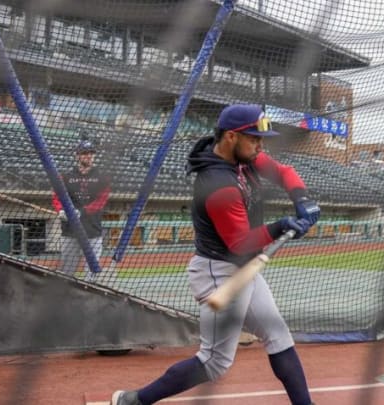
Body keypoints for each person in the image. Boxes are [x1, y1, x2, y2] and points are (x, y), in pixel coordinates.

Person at [111, 104, 321, 405]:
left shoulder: (242, 156)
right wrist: (281, 226)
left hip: (244, 268)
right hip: (221, 272)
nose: (260, 146)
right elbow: (239, 243)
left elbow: (282, 171)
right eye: (254, 139)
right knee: (213, 361)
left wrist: (301, 198)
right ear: (232, 137)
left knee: (279, 336)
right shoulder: (217, 184)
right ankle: (136, 400)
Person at [52, 140, 111, 278]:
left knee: (92, 271)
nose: (88, 156)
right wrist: (61, 210)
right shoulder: (65, 177)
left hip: (92, 231)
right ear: (77, 155)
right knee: (67, 271)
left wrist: (81, 212)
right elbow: (57, 196)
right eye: (84, 153)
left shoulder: (102, 178)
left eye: (91, 153)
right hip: (70, 231)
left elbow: (101, 202)